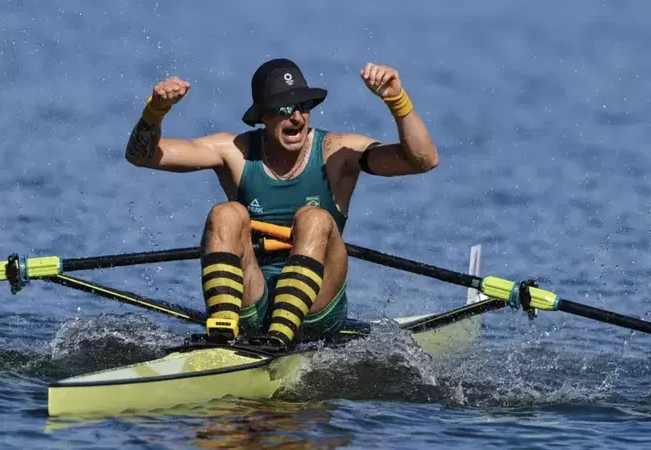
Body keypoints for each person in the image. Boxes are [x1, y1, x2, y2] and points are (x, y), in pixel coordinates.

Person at [124, 58, 439, 350]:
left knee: (313, 218)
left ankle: (280, 337)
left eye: (303, 105)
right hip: (253, 297)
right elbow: (142, 156)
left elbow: (423, 161)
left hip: (317, 310)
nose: (297, 116)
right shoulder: (234, 152)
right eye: (284, 108)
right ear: (263, 116)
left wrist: (397, 102)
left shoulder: (338, 153)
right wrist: (155, 112)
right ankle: (221, 332)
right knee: (226, 213)